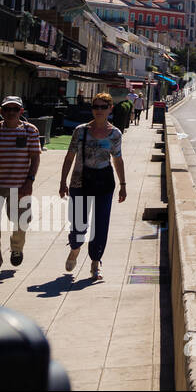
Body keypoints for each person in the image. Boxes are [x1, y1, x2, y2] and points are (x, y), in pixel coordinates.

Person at [58, 91, 127, 280]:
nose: (98, 110)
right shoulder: (80, 131)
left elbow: (118, 160)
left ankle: (95, 262)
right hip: (80, 182)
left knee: (101, 224)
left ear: (110, 109)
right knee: (78, 224)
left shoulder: (115, 134)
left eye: (103, 107)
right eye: (95, 107)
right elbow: (69, 157)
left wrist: (123, 184)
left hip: (104, 182)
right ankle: (75, 248)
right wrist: (63, 181)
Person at [0, 96, 42, 274]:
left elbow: (35, 157)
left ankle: (16, 249)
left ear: (21, 111)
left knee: (22, 222)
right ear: (2, 112)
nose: (11, 113)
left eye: (15, 109)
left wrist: (30, 181)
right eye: (7, 109)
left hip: (20, 186)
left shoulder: (30, 130)